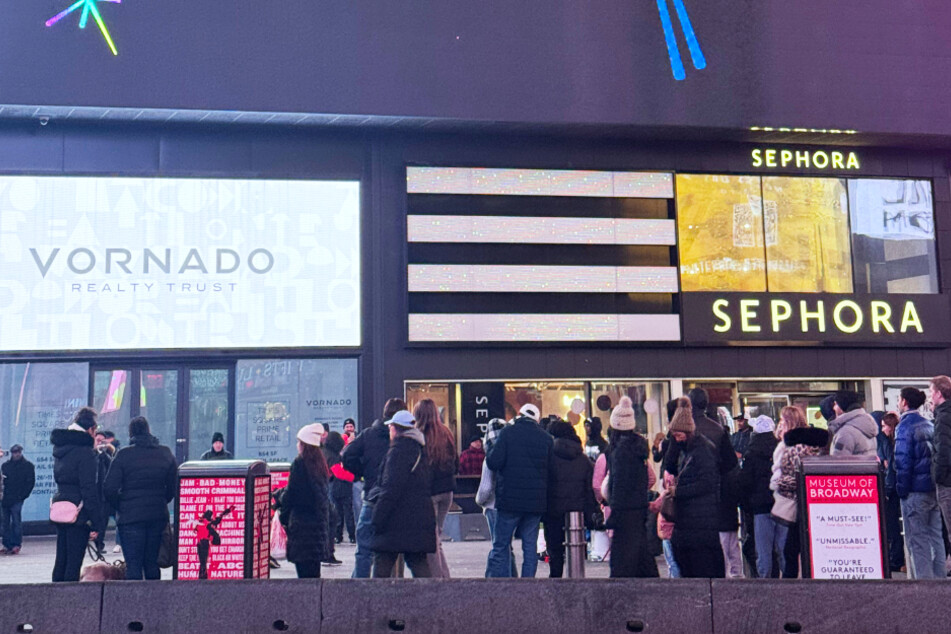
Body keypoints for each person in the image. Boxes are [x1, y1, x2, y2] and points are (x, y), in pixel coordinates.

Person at [665, 388, 741, 578]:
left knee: (692, 564)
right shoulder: (717, 430)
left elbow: (669, 464)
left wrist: (677, 489)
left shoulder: (684, 433)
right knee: (712, 560)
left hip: (690, 512)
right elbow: (730, 467)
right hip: (713, 508)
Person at [102, 416, 177, 580]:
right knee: (152, 563)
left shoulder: (123, 455)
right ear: (148, 431)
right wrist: (161, 500)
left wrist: (121, 505)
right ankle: (154, 595)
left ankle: (133, 597)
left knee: (133, 565)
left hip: (130, 518)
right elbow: (173, 486)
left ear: (131, 434)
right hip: (157, 516)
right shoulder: (165, 453)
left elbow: (109, 488)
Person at [484, 403, 553, 578]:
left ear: (520, 415)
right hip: (535, 502)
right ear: (536, 419)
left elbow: (494, 462)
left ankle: (502, 585)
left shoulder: (508, 433)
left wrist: (490, 448)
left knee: (501, 545)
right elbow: (552, 471)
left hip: (509, 500)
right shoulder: (546, 438)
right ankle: (527, 585)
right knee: (530, 547)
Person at [342, 397, 406, 578]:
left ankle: (360, 586)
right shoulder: (405, 438)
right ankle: (393, 583)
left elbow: (347, 456)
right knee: (394, 549)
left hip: (372, 494)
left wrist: (361, 472)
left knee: (364, 548)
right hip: (397, 498)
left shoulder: (368, 434)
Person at [370, 410, 436, 578]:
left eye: (390, 427)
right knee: (418, 561)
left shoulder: (398, 450)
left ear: (395, 429)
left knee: (382, 564)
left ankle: (376, 595)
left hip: (395, 519)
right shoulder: (420, 448)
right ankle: (431, 594)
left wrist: (378, 517)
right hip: (417, 518)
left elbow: (390, 488)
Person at [894, 387, 945, 579]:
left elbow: (903, 461)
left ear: (904, 402)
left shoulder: (904, 427)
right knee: (936, 537)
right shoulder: (928, 424)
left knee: (917, 540)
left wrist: (901, 490)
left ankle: (924, 585)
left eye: (899, 399)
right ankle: (940, 580)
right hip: (932, 489)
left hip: (914, 491)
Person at [771, 406, 829, 578]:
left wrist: (778, 483)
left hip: (797, 504)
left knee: (790, 550)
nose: (780, 425)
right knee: (801, 547)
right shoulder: (814, 443)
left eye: (782, 421)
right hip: (814, 503)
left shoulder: (792, 447)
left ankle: (794, 585)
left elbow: (794, 478)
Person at [605, 397, 658, 578]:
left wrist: (614, 512)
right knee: (641, 557)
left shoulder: (620, 452)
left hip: (624, 512)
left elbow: (619, 485)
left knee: (622, 563)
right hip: (638, 509)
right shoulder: (639, 450)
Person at [51, 407, 104, 582]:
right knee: (74, 562)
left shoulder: (61, 449)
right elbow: (88, 488)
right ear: (90, 429)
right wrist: (96, 521)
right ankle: (70, 597)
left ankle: (54, 593)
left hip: (62, 507)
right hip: (79, 511)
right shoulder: (85, 453)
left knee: (61, 559)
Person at [543, 421, 598, 577]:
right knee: (576, 545)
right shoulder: (583, 459)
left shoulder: (548, 457)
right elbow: (589, 488)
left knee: (554, 549)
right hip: (577, 510)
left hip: (553, 508)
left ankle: (556, 578)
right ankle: (576, 577)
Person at [280, 423, 332, 578]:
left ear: (304, 444)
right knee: (314, 574)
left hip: (302, 528)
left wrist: (283, 516)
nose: (297, 445)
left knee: (303, 576)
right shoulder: (320, 464)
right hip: (317, 529)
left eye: (299, 442)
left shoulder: (299, 463)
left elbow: (292, 493)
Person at [414, 398, 457, 578]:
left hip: (429, 492)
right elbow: (455, 462)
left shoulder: (419, 435)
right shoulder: (446, 433)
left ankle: (438, 579)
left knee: (431, 540)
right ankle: (444, 576)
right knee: (437, 536)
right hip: (447, 491)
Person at [738, 415, 780, 579]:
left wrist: (746, 505)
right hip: (780, 505)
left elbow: (745, 482)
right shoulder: (779, 450)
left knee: (763, 550)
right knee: (780, 548)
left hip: (759, 507)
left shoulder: (752, 453)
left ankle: (765, 581)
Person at [476, 418, 517, 576]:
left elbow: (486, 488)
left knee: (499, 546)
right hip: (510, 505)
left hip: (493, 506)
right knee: (507, 546)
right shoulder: (512, 454)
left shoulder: (490, 457)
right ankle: (513, 577)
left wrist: (479, 501)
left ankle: (495, 579)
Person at [879, 411, 905, 572]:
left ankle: (896, 558)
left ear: (890, 426)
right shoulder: (897, 441)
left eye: (884, 426)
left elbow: (890, 470)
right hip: (899, 486)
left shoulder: (888, 444)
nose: (883, 430)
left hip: (892, 489)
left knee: (892, 525)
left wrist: (887, 491)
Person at [0, 445, 35, 555]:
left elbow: (30, 483)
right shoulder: (6, 466)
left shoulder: (28, 466)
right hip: (5, 498)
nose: (17, 454)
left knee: (16, 522)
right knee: (5, 522)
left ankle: (16, 544)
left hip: (17, 498)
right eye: (15, 452)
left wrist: (23, 496)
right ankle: (7, 544)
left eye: (18, 452)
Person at [323, 431, 356, 545]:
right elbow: (339, 472)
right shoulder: (333, 456)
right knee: (347, 512)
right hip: (341, 486)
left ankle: (338, 536)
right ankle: (351, 535)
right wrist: (354, 477)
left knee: (337, 512)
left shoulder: (325, 453)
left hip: (331, 485)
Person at [930, 376, 951, 536]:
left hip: (947, 482)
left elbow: (943, 451)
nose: (930, 395)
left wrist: (938, 477)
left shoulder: (943, 417)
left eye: (931, 391)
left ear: (938, 393)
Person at [828, 391, 877, 457]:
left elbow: (839, 461)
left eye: (836, 404)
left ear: (841, 407)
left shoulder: (845, 433)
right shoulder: (866, 424)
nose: (834, 408)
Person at [94, 433, 117, 555]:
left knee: (103, 521)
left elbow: (112, 466)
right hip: (93, 493)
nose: (100, 444)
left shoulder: (107, 455)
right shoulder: (89, 454)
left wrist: (105, 453)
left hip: (103, 495)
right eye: (98, 440)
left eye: (103, 441)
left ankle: (99, 543)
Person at [195, 506, 234, 579]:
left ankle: (202, 575)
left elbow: (196, 530)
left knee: (202, 561)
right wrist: (228, 511)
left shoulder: (200, 522)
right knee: (204, 560)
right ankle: (203, 575)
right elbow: (218, 519)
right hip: (204, 543)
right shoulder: (208, 523)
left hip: (199, 543)